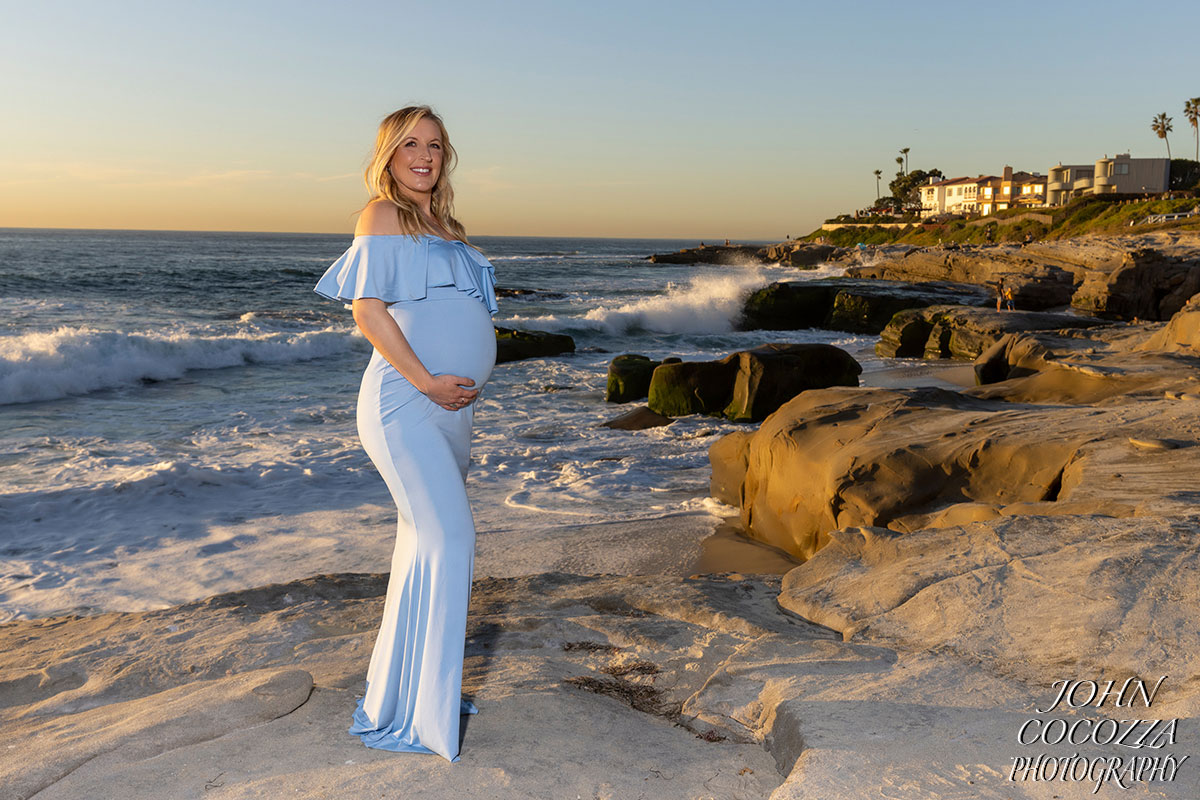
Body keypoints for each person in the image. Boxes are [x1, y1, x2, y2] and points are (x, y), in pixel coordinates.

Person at [312, 105, 498, 763]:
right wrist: (425, 381)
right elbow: (367, 311)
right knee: (453, 538)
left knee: (424, 546)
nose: (425, 156)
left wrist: (451, 388)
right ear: (388, 154)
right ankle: (419, 717)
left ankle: (414, 694)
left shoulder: (445, 224)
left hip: (454, 409)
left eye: (436, 145)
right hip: (405, 404)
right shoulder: (381, 214)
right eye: (410, 144)